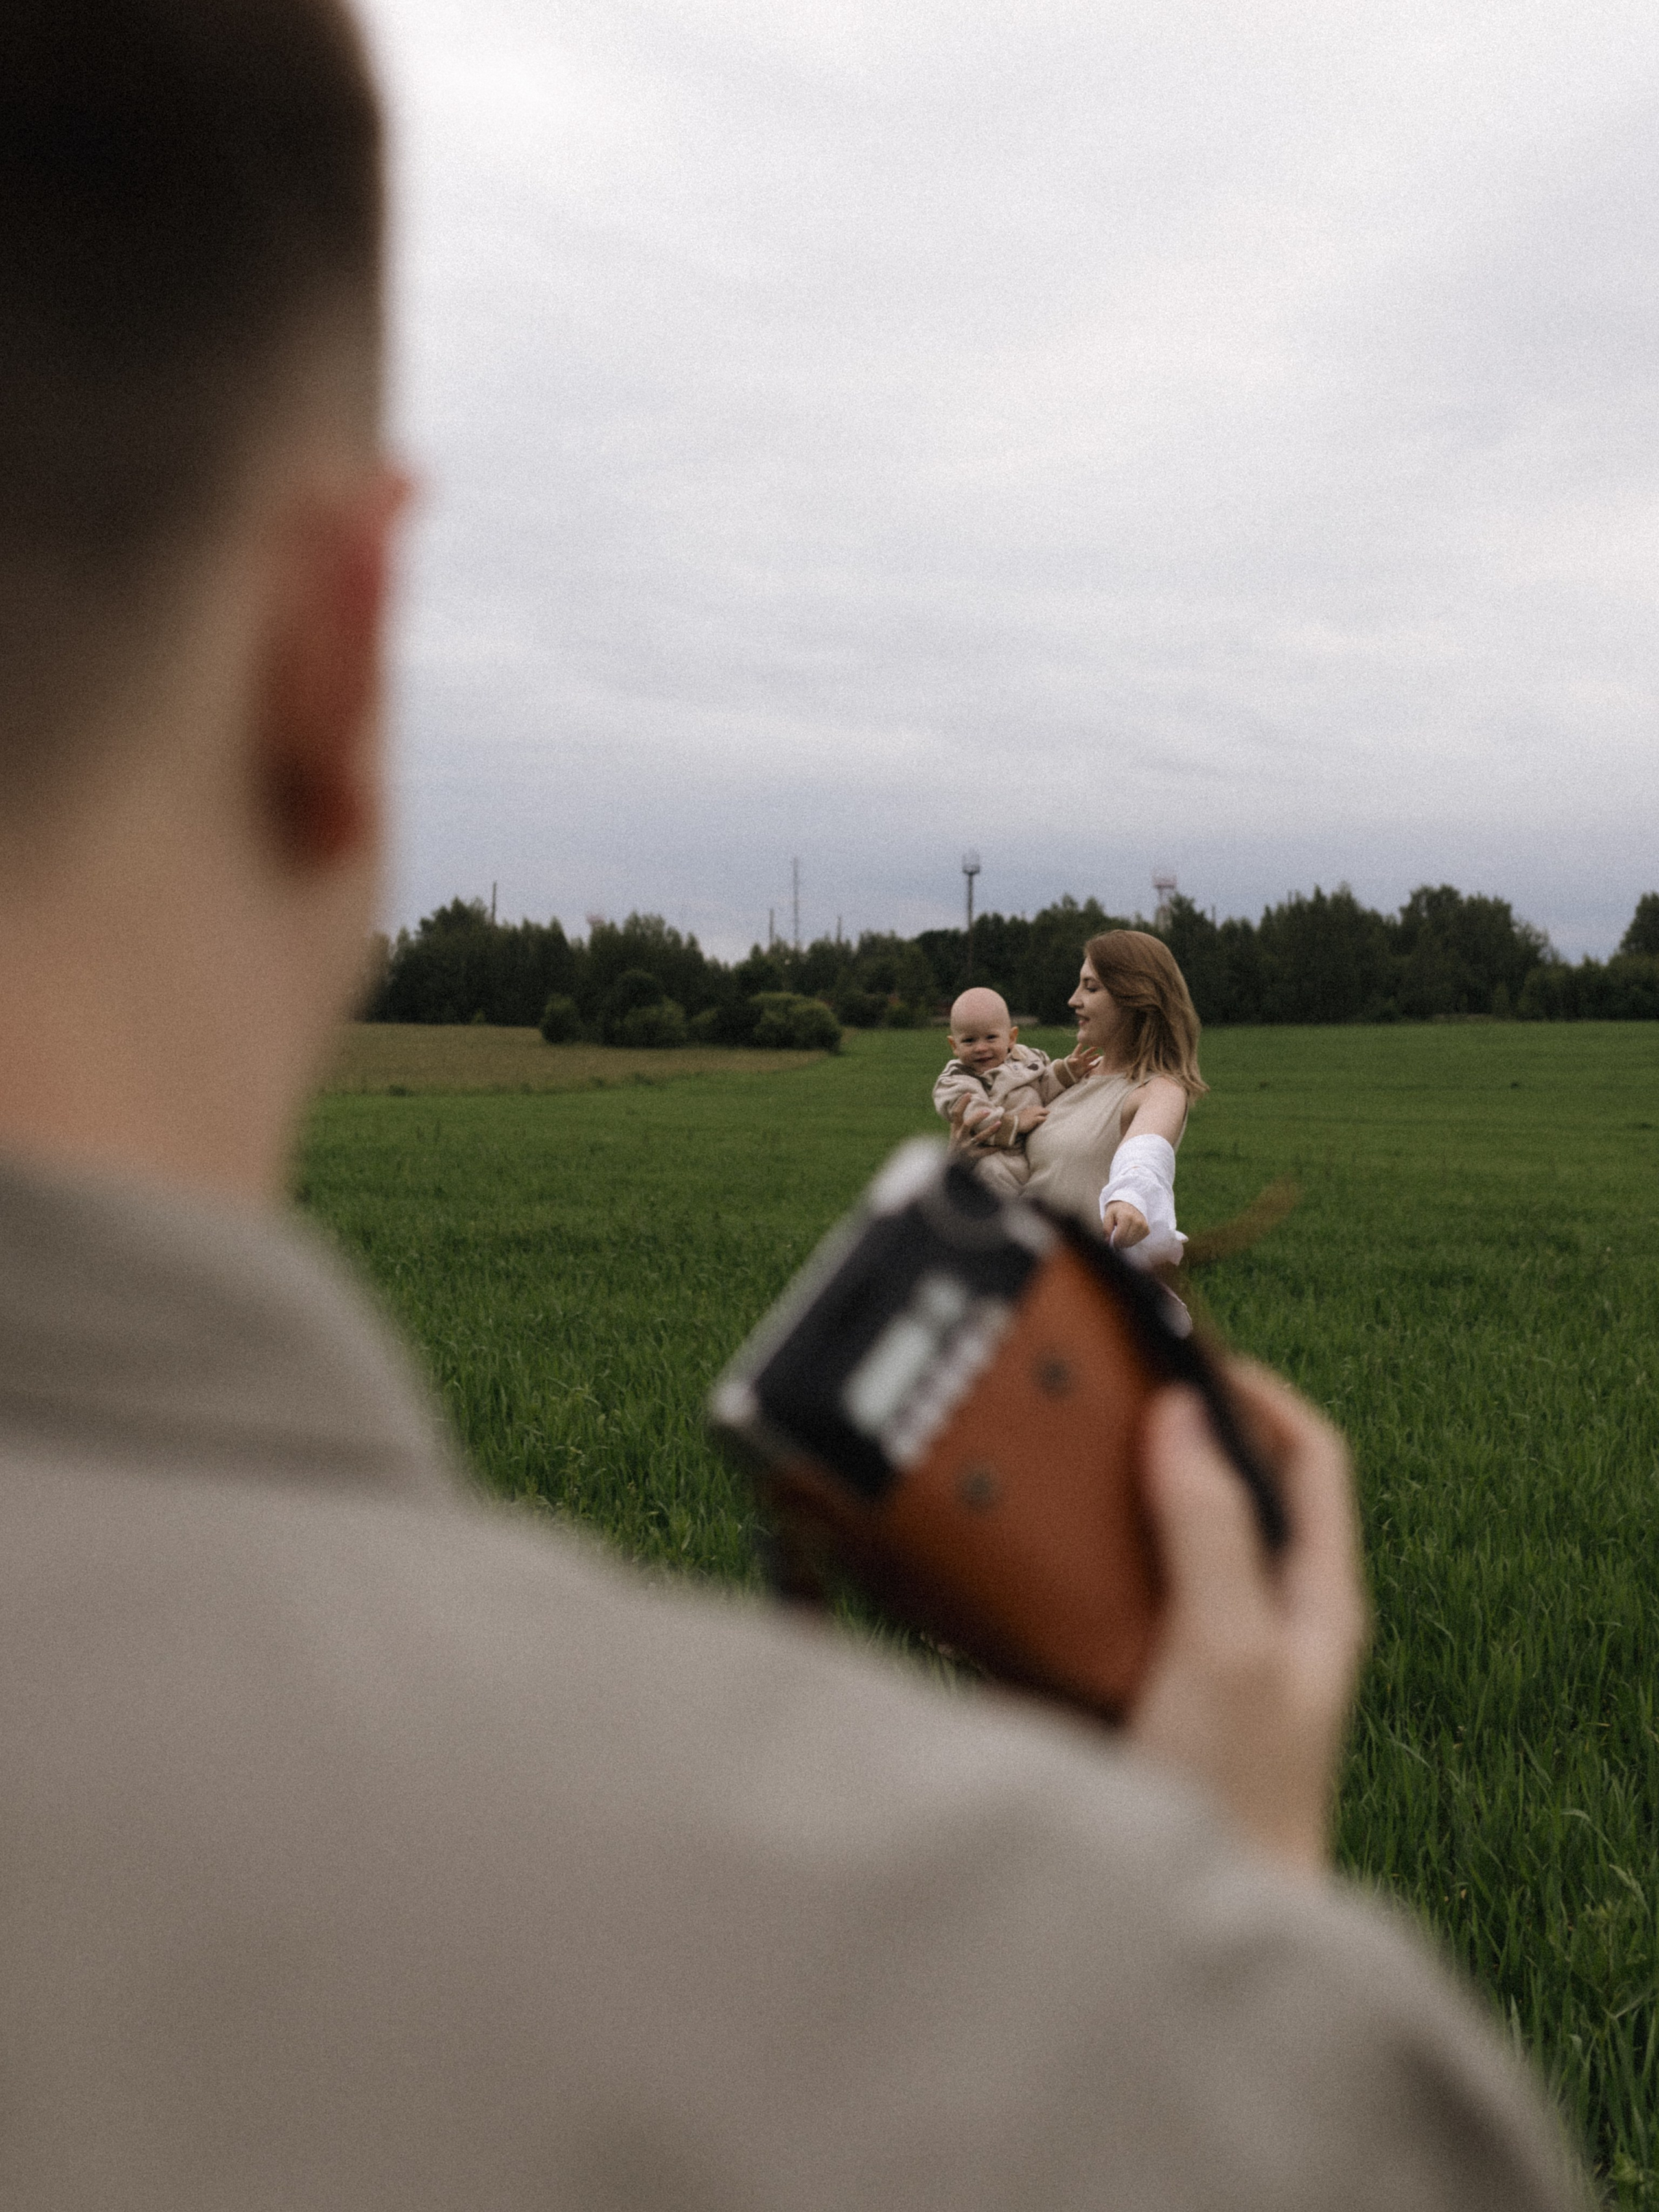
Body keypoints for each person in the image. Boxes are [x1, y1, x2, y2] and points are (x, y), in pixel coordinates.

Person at [0, 3, 1588, 2204]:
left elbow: (1121, 1176)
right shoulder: (1155, 2057)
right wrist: (1209, 1973)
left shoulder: (1113, 1095)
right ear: (343, 653)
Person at [1023, 931, 1203, 1268]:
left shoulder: (1159, 1090)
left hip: (1083, 1287)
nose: (1073, 1000)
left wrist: (1130, 1197)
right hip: (1021, 1280)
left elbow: (1145, 1154)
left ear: (1134, 997)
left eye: (1091, 988)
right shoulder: (1071, 1079)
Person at [932, 984, 1099, 1194]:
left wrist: (1067, 1071)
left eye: (991, 1037)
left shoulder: (1027, 1058)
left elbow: (1045, 1086)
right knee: (999, 1200)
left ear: (1011, 1037)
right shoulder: (957, 1078)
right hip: (995, 1160)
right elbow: (977, 1116)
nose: (981, 1048)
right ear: (954, 1045)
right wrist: (1017, 1122)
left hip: (1033, 1156)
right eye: (969, 1040)